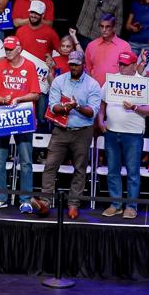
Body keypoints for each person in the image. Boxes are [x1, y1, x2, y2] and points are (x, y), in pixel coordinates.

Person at [40, 50, 102, 219]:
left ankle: (73, 204)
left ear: (84, 65)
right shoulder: (59, 81)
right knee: (50, 165)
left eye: (77, 64)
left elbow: (92, 112)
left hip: (83, 132)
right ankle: (45, 202)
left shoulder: (93, 85)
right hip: (60, 130)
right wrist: (66, 107)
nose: (73, 67)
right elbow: (53, 106)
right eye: (71, 64)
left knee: (80, 169)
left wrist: (77, 106)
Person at [0, 36, 41, 213]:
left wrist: (19, 99)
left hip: (23, 115)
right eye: (6, 48)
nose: (8, 51)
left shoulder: (29, 66)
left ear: (19, 49)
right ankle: (0, 198)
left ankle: (25, 199)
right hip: (2, 115)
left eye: (11, 48)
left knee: (26, 161)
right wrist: (3, 99)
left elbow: (36, 95)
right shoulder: (0, 66)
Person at [98, 52, 149, 219]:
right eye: (120, 64)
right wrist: (101, 120)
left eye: (125, 64)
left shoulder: (143, 84)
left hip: (133, 133)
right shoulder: (111, 80)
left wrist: (135, 108)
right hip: (112, 131)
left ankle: (131, 205)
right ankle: (116, 204)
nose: (121, 67)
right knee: (113, 170)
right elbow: (102, 103)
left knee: (132, 171)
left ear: (134, 65)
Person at [85, 13, 133, 87]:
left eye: (107, 27)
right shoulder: (91, 45)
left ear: (114, 28)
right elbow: (88, 69)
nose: (104, 30)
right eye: (101, 26)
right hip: (96, 89)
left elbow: (129, 71)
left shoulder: (125, 46)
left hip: (116, 90)